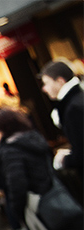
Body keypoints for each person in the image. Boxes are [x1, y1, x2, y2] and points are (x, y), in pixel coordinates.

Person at [40, 59, 83, 203]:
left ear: (60, 81)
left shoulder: (73, 109)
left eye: (46, 83)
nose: (44, 89)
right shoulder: (77, 101)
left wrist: (64, 160)